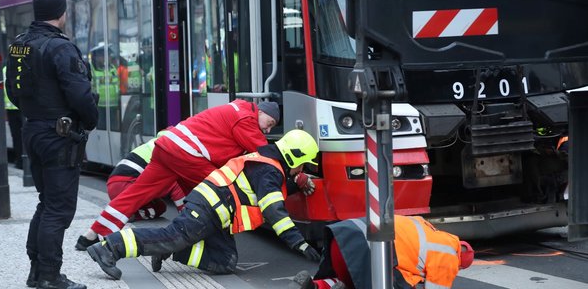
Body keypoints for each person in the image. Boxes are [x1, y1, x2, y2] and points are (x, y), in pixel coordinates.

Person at [86, 129, 322, 279]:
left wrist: (297, 183)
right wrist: (300, 244)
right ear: (293, 157)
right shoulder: (269, 171)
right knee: (171, 235)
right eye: (302, 165)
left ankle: (172, 250)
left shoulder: (269, 166)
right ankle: (109, 248)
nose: (301, 170)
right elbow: (274, 211)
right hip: (208, 208)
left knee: (225, 262)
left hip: (219, 215)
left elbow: (268, 192)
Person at [75, 99, 288, 250]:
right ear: (260, 112)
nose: (267, 131)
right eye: (269, 125)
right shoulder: (247, 120)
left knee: (135, 195)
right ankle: (186, 241)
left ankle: (92, 235)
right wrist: (296, 172)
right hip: (186, 153)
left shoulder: (237, 109)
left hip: (167, 147)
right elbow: (264, 155)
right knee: (222, 191)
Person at [5, 0, 98, 289]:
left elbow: (13, 91)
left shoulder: (19, 44)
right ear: (61, 13)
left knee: (46, 204)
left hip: (32, 129)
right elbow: (80, 93)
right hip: (58, 135)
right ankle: (49, 275)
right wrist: (90, 120)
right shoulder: (61, 47)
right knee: (59, 208)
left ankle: (36, 272)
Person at [292, 215, 474, 289]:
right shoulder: (448, 256)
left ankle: (314, 286)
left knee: (347, 278)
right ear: (459, 263)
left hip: (344, 236)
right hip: (372, 249)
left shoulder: (425, 227)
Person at [105, 130, 185, 220]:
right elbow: (175, 186)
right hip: (127, 184)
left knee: (159, 204)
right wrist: (186, 215)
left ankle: (124, 210)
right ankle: (133, 214)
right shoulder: (172, 148)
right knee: (160, 206)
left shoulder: (156, 142)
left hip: (114, 184)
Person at [3, 65, 24, 169]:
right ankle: (26, 161)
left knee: (16, 137)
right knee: (25, 136)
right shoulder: (26, 65)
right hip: (23, 108)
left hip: (11, 108)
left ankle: (20, 161)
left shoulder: (5, 69)